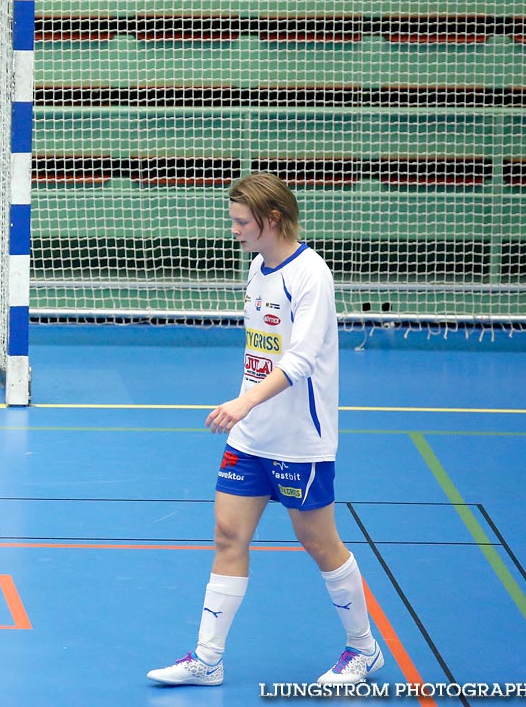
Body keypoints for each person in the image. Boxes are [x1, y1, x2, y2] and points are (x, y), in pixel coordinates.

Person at [147, 173, 383, 689]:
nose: (233, 230)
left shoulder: (311, 276)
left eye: (240, 221)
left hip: (300, 439)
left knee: (319, 543)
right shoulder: (258, 267)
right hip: (250, 435)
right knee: (228, 534)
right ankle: (208, 658)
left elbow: (300, 360)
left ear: (271, 220)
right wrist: (247, 410)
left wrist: (243, 401)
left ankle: (363, 649)